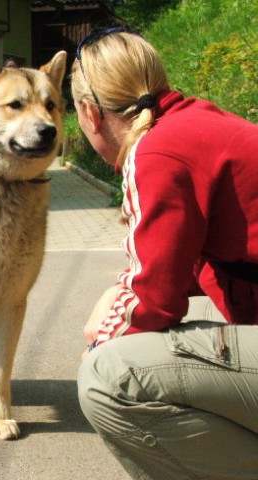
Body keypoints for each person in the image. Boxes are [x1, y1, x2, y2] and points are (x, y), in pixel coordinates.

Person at [72, 27, 258, 479]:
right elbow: (184, 264)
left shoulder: (157, 151)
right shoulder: (202, 123)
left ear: (89, 112)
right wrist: (123, 292)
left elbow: (154, 300)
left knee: (107, 376)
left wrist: (101, 339)